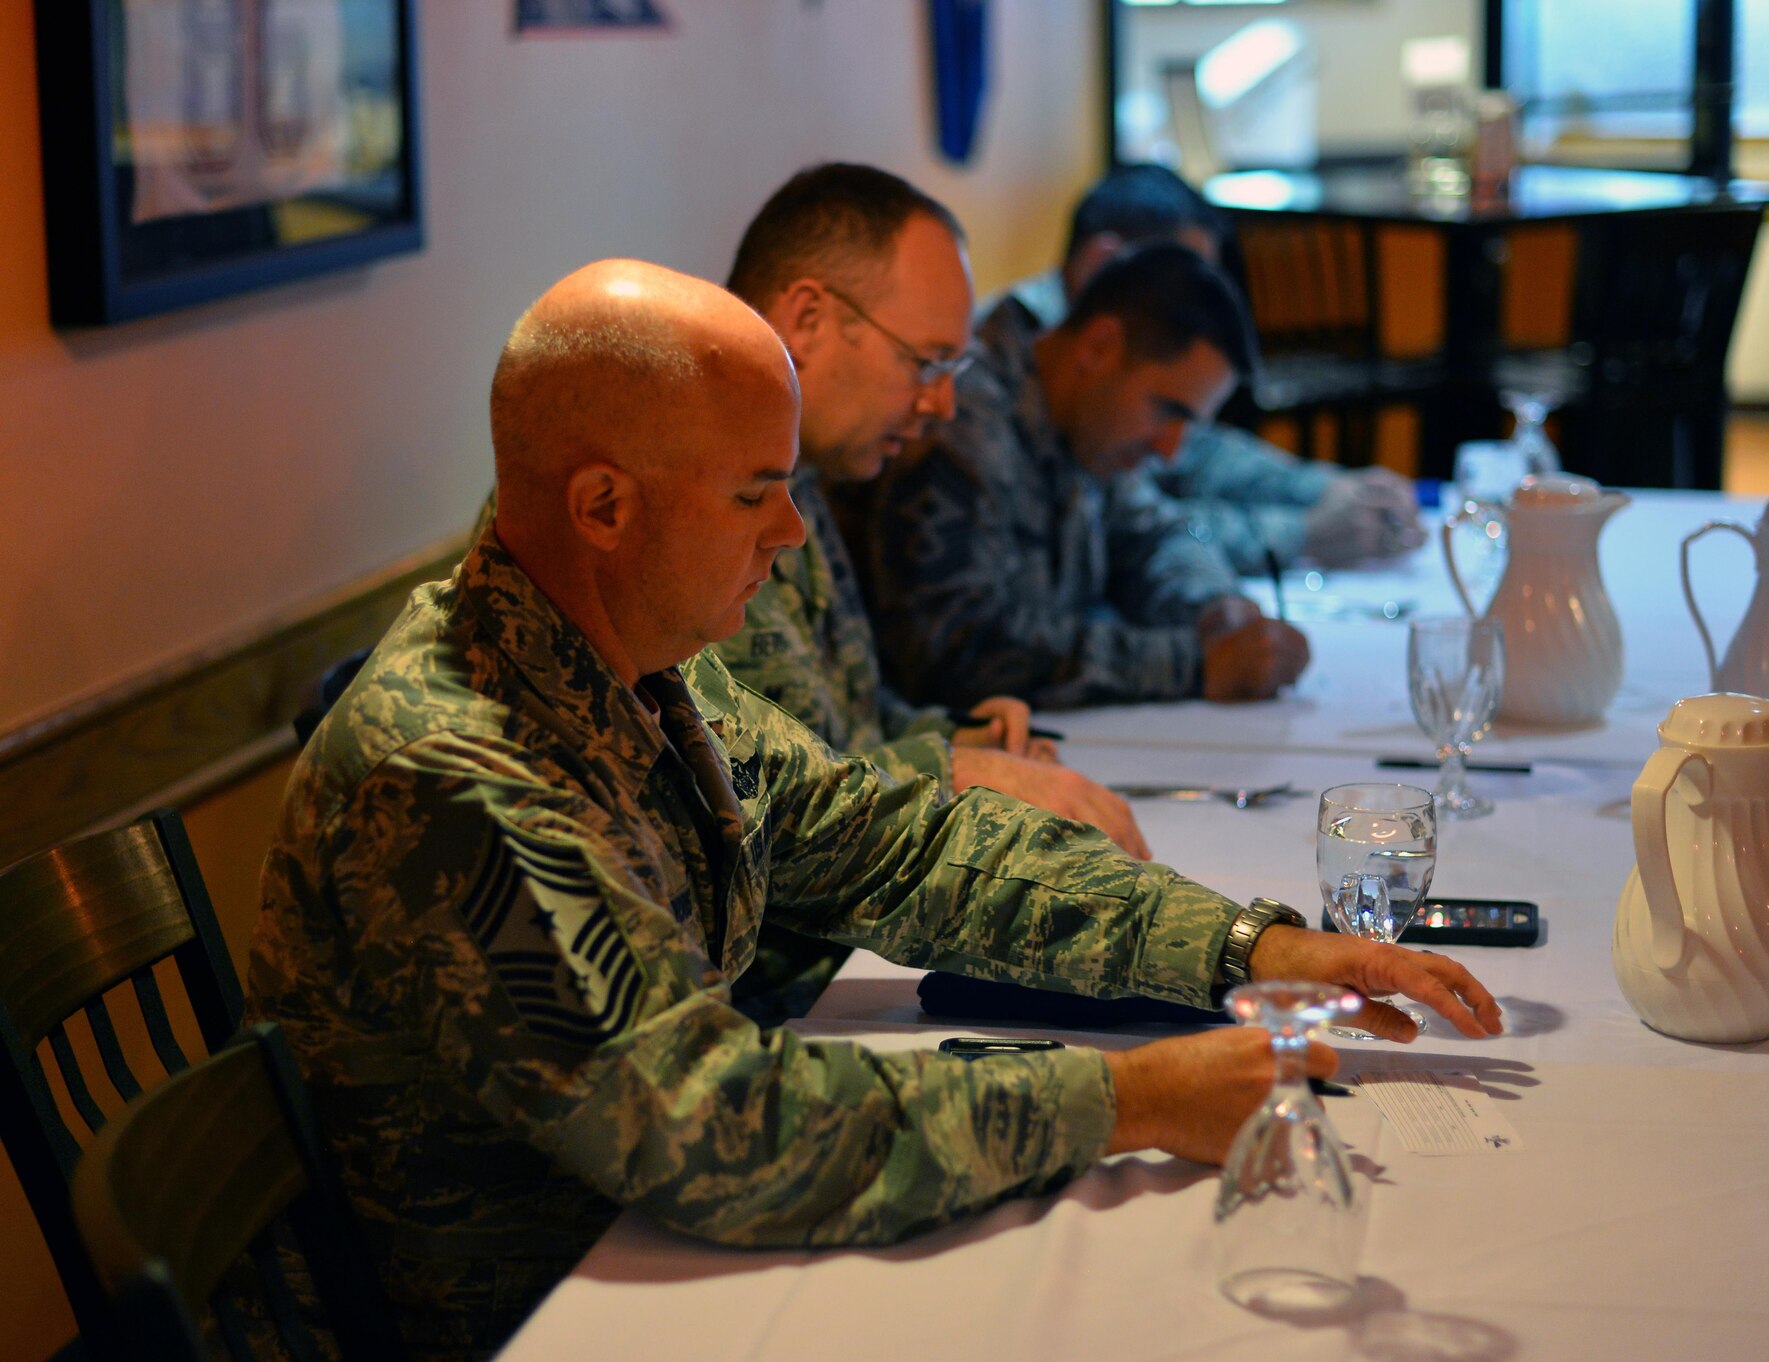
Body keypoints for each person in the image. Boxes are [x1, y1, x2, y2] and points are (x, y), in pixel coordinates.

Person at [247, 258, 1503, 1359]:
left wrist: (1244, 948)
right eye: (751, 495)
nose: (791, 531)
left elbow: (895, 842)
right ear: (602, 509)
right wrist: (1133, 1100)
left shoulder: (627, 660)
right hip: (556, 1316)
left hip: (657, 1258)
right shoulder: (459, 773)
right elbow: (719, 1127)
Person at [715, 164, 1150, 1021]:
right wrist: (956, 768)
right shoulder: (700, 488)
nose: (943, 402)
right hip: (759, 1002)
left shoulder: (799, 469)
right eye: (927, 361)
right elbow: (766, 804)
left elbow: (841, 720)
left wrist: (956, 736)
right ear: (806, 319)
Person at [844, 242, 1312, 710]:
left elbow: (1151, 536)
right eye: (1167, 411)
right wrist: (1193, 664)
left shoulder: (1085, 432)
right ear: (1099, 348)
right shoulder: (957, 425)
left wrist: (1213, 609)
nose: (1170, 450)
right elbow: (952, 653)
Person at [999, 164, 1426, 570]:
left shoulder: (1118, 362)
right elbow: (1127, 533)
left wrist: (1332, 490)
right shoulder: (1013, 369)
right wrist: (1303, 532)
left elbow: (1197, 454)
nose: (1200, 301)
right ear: (1103, 263)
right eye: (1182, 278)